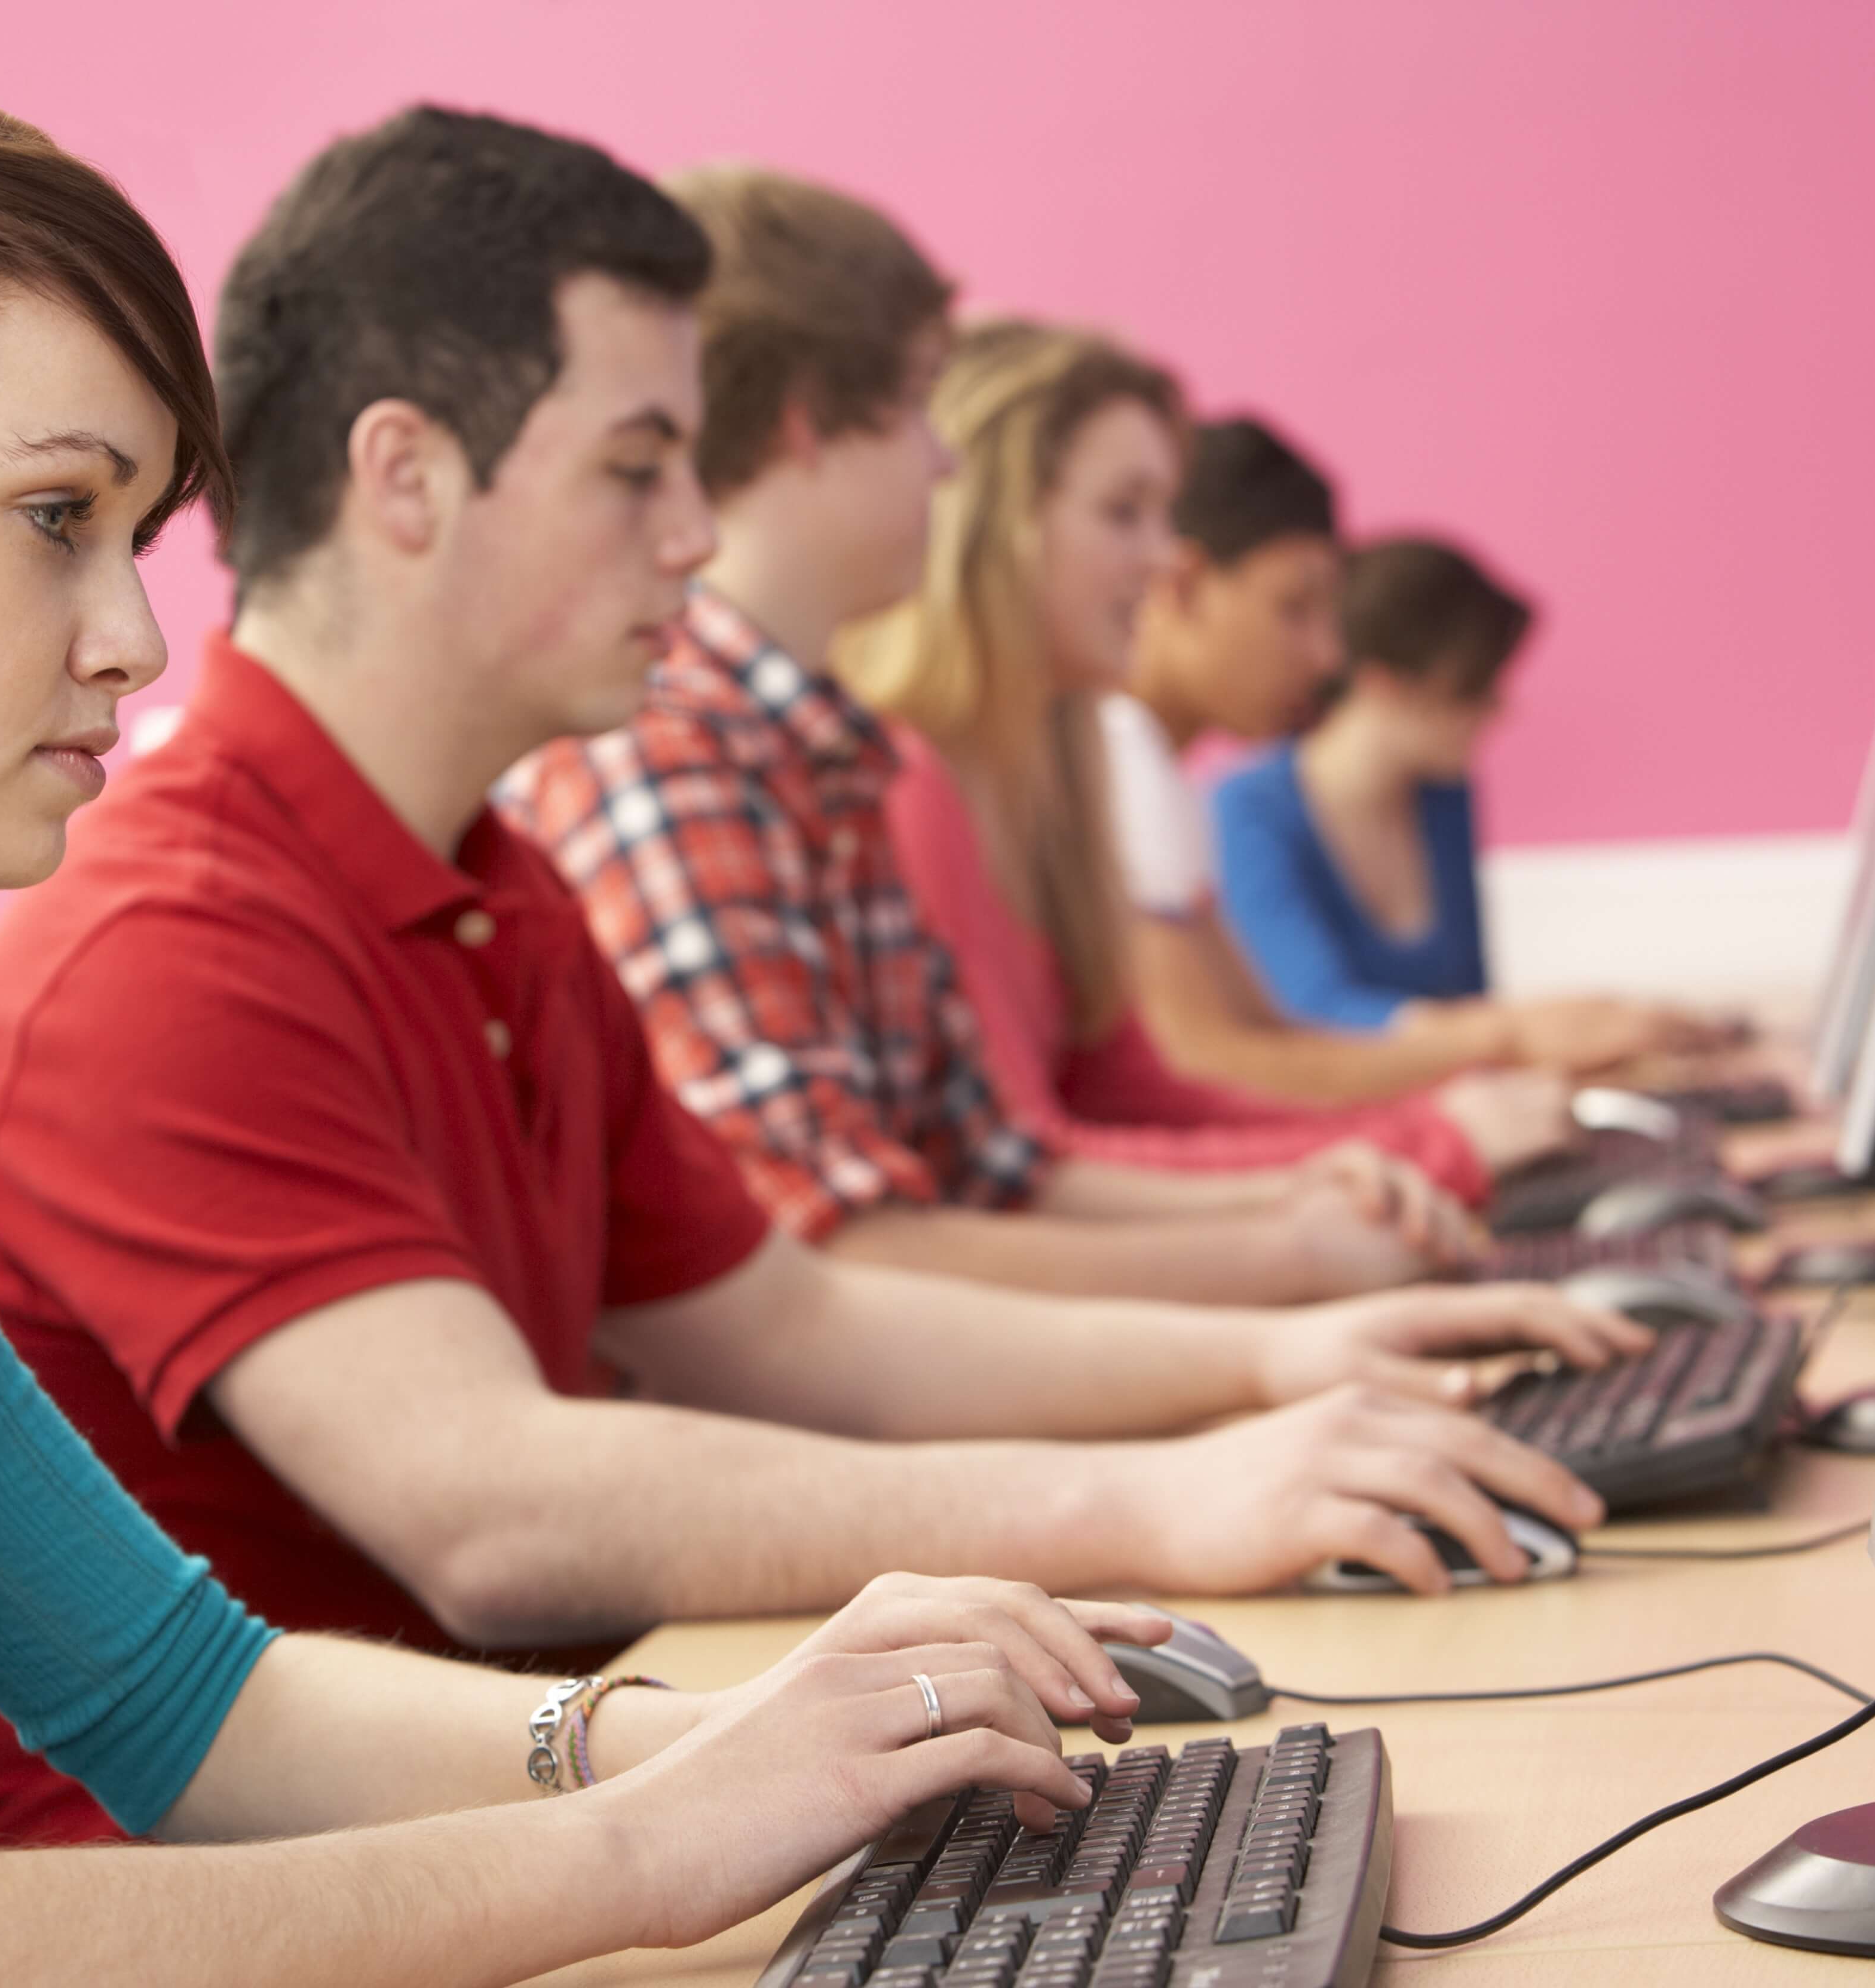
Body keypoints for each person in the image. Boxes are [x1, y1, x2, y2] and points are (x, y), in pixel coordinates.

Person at [0, 73, 1209, 1988]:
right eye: (54, 516)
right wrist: (639, 1846)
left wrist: (740, 1740)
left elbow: (186, 1694)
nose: (133, 635)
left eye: (131, 533)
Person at [0, 119, 1636, 1848]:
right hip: (276, 1897)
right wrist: (1161, 1498)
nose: (695, 532)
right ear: (405, 474)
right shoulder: (166, 944)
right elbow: (490, 1506)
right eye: (638, 466)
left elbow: (797, 1328)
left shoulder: (496, 890)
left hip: (534, 1813)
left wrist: (1278, 1360)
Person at [507, 168, 1523, 1304]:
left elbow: (995, 1165)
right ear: (808, 422)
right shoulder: (702, 754)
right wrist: (1309, 1250)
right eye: (915, 404)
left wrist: (1339, 1190)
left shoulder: (838, 755)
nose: (942, 461)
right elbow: (836, 1252)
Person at [831, 326, 1575, 1196]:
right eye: (1124, 512)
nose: (1161, 559)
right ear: (991, 525)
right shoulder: (914, 784)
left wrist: (1422, 1136)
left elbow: (1139, 1089)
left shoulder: (1067, 771)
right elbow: (1045, 1160)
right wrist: (1436, 1140)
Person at [1110, 418, 1568, 1113]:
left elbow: (1273, 1040)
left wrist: (1510, 1054)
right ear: (1185, 584)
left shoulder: (1160, 781)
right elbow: (1210, 1065)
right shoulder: (1137, 771)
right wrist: (1509, 1045)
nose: (1329, 656)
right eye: (1294, 607)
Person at [1213, 536, 1726, 1072]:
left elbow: (1473, 1001)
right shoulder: (1249, 811)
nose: (1500, 711)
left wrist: (1586, 1030)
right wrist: (1526, 1028)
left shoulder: (1445, 795)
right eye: (1473, 688)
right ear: (1384, 684)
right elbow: (1314, 1013)